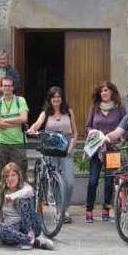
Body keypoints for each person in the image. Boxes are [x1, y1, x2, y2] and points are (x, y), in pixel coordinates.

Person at [27, 86, 78, 224]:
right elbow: (37, 124)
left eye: (58, 97)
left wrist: (71, 146)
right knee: (55, 181)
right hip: (51, 148)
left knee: (69, 182)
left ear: (62, 98)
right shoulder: (46, 112)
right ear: (50, 99)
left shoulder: (68, 111)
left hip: (66, 149)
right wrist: (32, 129)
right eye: (53, 97)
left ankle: (65, 208)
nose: (56, 99)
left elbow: (75, 132)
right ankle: (59, 210)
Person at [84, 81, 127, 223]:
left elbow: (125, 126)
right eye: (102, 90)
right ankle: (89, 210)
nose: (104, 93)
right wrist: (95, 134)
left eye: (107, 90)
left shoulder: (120, 108)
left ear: (112, 92)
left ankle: (106, 209)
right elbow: (88, 127)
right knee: (92, 181)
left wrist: (120, 139)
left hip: (113, 150)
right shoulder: (94, 108)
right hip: (97, 150)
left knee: (109, 182)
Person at [0, 162, 55, 250]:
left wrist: (12, 196)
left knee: (24, 200)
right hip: (13, 227)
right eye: (7, 176)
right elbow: (0, 211)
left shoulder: (25, 187)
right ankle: (30, 241)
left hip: (29, 226)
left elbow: (30, 191)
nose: (10, 179)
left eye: (13, 175)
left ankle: (30, 236)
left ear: (18, 176)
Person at [0, 76, 29, 184]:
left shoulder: (20, 100)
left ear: (13, 87)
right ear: (1, 87)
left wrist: (3, 120)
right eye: (4, 86)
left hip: (18, 143)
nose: (7, 88)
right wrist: (14, 122)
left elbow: (24, 118)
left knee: (20, 174)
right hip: (1, 143)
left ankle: (19, 199)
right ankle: (2, 198)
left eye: (9, 86)